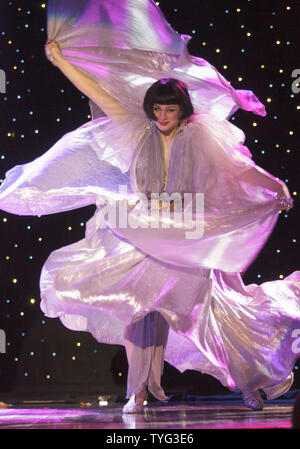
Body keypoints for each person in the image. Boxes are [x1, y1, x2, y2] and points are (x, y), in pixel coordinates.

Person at [0, 0, 299, 415]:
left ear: (182, 109)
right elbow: (96, 90)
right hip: (142, 225)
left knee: (209, 314)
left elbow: (238, 168)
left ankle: (250, 377)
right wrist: (60, 59)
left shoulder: (198, 135)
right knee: (138, 309)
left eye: (169, 109)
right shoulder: (136, 125)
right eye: (156, 109)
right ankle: (138, 390)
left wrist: (275, 185)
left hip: (188, 230)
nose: (162, 116)